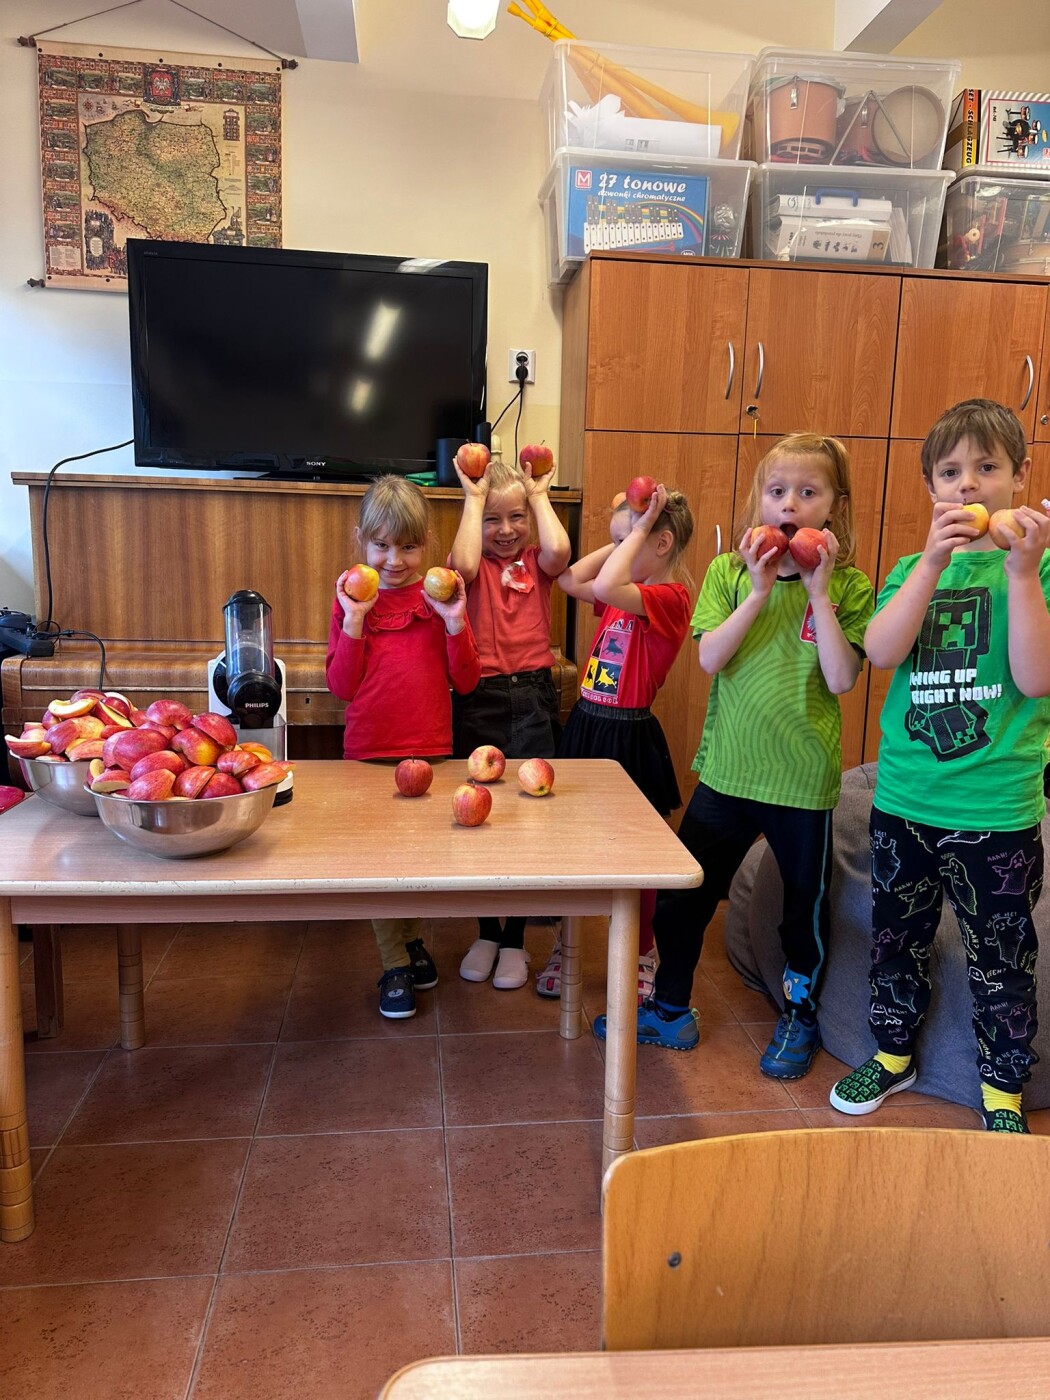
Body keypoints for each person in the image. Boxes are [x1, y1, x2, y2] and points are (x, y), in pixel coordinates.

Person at [830, 400, 1050, 1132]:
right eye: (951, 472)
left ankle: (1003, 1090)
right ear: (931, 488)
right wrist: (930, 562)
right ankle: (893, 1054)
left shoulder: (1038, 567)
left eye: (988, 467)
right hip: (906, 801)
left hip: (996, 810)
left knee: (1002, 959)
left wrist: (1023, 573)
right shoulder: (909, 569)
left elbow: (1036, 677)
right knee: (897, 940)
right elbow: (881, 651)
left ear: (1020, 476)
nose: (969, 485)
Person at [633, 433, 875, 1076]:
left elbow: (841, 678)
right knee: (683, 898)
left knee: (803, 912)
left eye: (808, 491)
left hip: (802, 783)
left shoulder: (850, 586)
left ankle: (799, 1015)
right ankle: (670, 1008)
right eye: (777, 491)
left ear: (835, 506)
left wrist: (818, 593)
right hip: (728, 774)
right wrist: (761, 591)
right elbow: (711, 658)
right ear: (758, 502)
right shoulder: (728, 573)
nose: (789, 504)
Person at [325, 475, 481, 1020]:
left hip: (429, 748)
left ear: (427, 544)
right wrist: (353, 620)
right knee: (379, 861)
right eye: (382, 545)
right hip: (369, 750)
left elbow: (467, 681)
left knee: (417, 858)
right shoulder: (352, 597)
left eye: (409, 547)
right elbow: (341, 686)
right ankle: (395, 962)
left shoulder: (439, 595)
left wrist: (456, 622)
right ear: (361, 541)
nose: (395, 560)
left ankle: (410, 941)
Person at [550, 484, 695, 1008]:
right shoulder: (621, 590)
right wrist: (626, 531)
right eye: (615, 543)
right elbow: (570, 578)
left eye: (627, 542)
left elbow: (608, 582)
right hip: (587, 725)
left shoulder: (668, 599)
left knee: (638, 852)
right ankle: (565, 946)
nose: (616, 552)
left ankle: (642, 953)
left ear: (661, 543)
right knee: (569, 843)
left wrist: (637, 527)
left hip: (628, 734)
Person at [448, 451, 571, 990]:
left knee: (526, 819)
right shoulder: (474, 567)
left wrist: (538, 494)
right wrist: (473, 498)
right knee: (476, 814)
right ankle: (487, 932)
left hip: (533, 694)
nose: (505, 530)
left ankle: (516, 937)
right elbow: (462, 565)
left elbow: (561, 550)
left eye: (516, 517)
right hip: (479, 696)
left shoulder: (538, 563)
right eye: (492, 519)